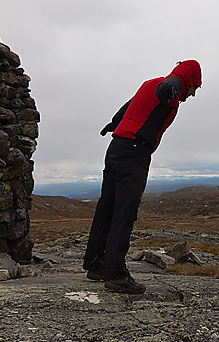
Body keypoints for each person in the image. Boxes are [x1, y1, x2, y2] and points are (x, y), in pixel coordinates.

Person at [83, 60, 202, 294]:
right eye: (195, 87)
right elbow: (167, 87)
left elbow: (126, 108)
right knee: (124, 212)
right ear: (189, 81)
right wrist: (172, 90)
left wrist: (113, 124)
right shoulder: (170, 87)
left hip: (117, 148)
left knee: (106, 207)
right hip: (134, 152)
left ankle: (96, 264)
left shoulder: (149, 84)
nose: (194, 93)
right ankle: (116, 274)